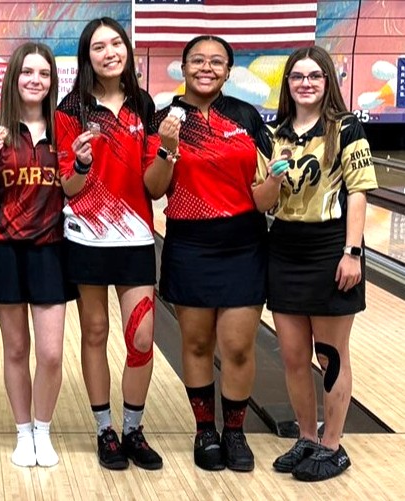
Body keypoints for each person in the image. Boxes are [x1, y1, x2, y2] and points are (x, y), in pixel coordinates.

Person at [144, 35, 269, 472]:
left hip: (244, 244)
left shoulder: (247, 117)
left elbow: (266, 189)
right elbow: (155, 188)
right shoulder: (164, 118)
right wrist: (167, 145)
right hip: (190, 244)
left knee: (237, 346)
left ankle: (234, 433)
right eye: (198, 59)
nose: (207, 67)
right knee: (197, 343)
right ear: (182, 67)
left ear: (229, 71)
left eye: (217, 61)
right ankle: (205, 432)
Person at [252, 45, 377, 482]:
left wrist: (352, 252)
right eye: (297, 76)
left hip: (329, 248)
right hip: (284, 247)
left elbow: (359, 192)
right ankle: (306, 437)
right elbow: (262, 201)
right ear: (287, 84)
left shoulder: (346, 128)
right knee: (291, 355)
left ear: (328, 81)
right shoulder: (274, 134)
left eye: (314, 76)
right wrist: (273, 178)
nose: (306, 82)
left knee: (330, 357)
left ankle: (332, 444)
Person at [56, 17, 163, 471]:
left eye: (115, 43)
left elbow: (154, 186)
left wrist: (167, 151)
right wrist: (80, 163)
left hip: (136, 236)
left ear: (127, 50)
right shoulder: (70, 109)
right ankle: (105, 430)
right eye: (98, 47)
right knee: (95, 332)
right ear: (87, 57)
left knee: (141, 336)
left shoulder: (143, 104)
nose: (108, 52)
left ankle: (134, 428)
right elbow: (67, 187)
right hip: (86, 237)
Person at [0, 42, 75, 468]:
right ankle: (22, 432)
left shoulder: (64, 130)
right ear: (13, 79)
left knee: (50, 353)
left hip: (51, 248)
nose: (35, 80)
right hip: (4, 249)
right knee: (16, 349)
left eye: (43, 74)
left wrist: (82, 165)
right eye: (27, 72)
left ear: (51, 82)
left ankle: (43, 429)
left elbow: (73, 188)